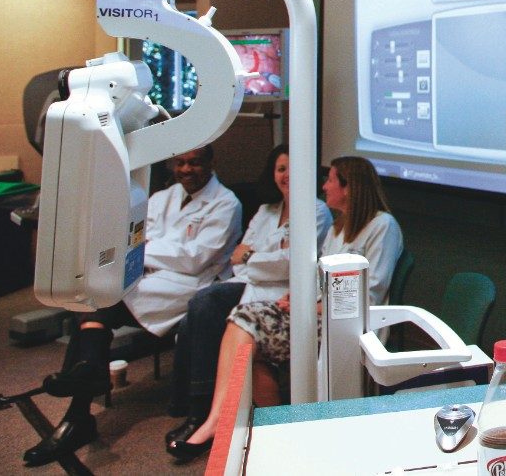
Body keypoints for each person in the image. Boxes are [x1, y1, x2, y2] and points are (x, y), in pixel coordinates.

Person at [167, 156, 402, 461]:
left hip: (345, 325)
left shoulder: (383, 226)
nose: (324, 187)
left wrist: (312, 306)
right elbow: (318, 278)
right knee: (247, 337)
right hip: (317, 315)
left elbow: (370, 292)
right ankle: (269, 429)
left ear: (349, 187)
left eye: (330, 180)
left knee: (244, 321)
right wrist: (298, 297)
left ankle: (220, 422)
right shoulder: (339, 228)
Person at [24, 146, 241, 467]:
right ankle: (83, 391)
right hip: (149, 278)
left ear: (212, 161)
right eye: (180, 162)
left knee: (104, 299)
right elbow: (137, 240)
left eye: (195, 162)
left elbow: (196, 259)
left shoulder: (226, 203)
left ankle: (81, 401)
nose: (186, 169)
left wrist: (151, 249)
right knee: (97, 291)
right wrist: (159, 249)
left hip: (191, 287)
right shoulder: (162, 197)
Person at [164, 144, 332, 448]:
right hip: (249, 283)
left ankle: (201, 413)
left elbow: (290, 264)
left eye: (292, 168)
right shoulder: (266, 211)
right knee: (196, 316)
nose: (286, 175)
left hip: (280, 292)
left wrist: (253, 257)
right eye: (281, 169)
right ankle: (197, 409)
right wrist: (260, 259)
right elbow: (237, 258)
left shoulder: (316, 211)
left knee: (205, 302)